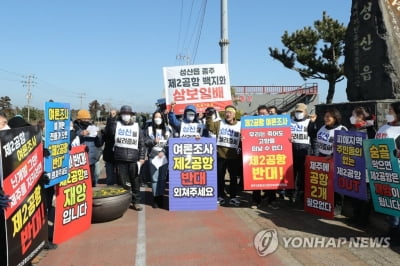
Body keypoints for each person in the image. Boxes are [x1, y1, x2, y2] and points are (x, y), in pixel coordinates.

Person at [103, 105, 145, 211]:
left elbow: (142, 144)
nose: (126, 116)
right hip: (119, 158)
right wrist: (111, 118)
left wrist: (141, 158)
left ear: (131, 115)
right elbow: (110, 132)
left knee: (135, 182)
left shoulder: (136, 127)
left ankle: (136, 201)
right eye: (123, 114)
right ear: (120, 115)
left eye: (128, 114)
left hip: (133, 159)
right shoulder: (116, 125)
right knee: (121, 182)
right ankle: (124, 202)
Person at [206, 105, 241, 206]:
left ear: (234, 114)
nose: (227, 114)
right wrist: (209, 116)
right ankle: (220, 196)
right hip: (220, 155)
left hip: (233, 156)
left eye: (230, 112)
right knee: (220, 176)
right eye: (226, 112)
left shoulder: (240, 124)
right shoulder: (219, 123)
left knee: (233, 178)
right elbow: (210, 127)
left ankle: (233, 197)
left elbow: (245, 135)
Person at [346, 106, 376, 227]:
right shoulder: (352, 129)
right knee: (355, 192)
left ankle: (363, 219)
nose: (352, 118)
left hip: (366, 167)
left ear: (361, 117)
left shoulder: (370, 130)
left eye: (354, 116)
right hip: (354, 166)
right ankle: (355, 215)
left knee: (366, 195)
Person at [375, 101, 400, 243]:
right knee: (390, 203)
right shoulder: (384, 127)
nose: (388, 114)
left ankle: (396, 234)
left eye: (391, 111)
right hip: (382, 170)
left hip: (396, 170)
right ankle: (391, 231)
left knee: (397, 203)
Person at [316, 108, 347, 216]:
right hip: (322, 158)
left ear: (335, 118)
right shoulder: (322, 128)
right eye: (325, 116)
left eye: (329, 117)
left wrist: (333, 155)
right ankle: (326, 204)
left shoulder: (341, 129)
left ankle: (338, 207)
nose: (326, 118)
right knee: (324, 183)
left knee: (336, 185)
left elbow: (345, 148)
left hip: (335, 160)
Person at [251, 105, 279, 209]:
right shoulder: (252, 125)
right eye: (260, 114)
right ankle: (255, 200)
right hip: (257, 156)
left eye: (264, 114)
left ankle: (272, 200)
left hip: (270, 156)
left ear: (268, 114)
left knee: (271, 178)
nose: (262, 116)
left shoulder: (275, 124)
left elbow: (281, 136)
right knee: (255, 178)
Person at [289, 103, 317, 206]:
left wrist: (314, 153)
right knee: (292, 174)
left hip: (305, 151)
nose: (298, 113)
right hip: (291, 151)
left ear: (305, 112)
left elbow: (314, 139)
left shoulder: (309, 122)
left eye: (301, 111)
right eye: (297, 111)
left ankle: (302, 195)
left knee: (303, 175)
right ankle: (291, 194)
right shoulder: (289, 121)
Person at [145, 111, 172, 208]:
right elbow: (145, 142)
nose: (157, 119)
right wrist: (153, 141)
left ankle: (161, 197)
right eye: (155, 117)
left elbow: (170, 143)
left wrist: (163, 151)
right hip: (153, 157)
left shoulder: (168, 130)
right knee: (154, 179)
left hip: (163, 157)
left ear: (163, 118)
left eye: (159, 117)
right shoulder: (149, 129)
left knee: (162, 178)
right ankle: (155, 198)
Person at [73, 109, 103, 187]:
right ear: (79, 120)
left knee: (94, 176)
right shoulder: (74, 129)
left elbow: (99, 144)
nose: (87, 121)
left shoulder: (92, 127)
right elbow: (71, 138)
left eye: (88, 119)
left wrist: (99, 135)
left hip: (92, 158)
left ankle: (92, 192)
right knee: (81, 181)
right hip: (79, 160)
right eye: (85, 119)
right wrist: (81, 133)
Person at [101, 109, 118, 185]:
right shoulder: (106, 127)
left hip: (118, 153)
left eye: (113, 113)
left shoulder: (120, 125)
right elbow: (102, 140)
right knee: (110, 176)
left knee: (118, 176)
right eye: (111, 113)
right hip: (109, 152)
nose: (112, 115)